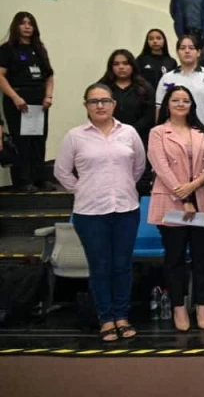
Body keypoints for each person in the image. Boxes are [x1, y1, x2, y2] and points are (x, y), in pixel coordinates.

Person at [54, 84, 146, 342]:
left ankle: (122, 316)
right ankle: (105, 319)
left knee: (122, 266)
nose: (100, 106)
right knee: (100, 266)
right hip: (90, 213)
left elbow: (138, 167)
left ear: (114, 104)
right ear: (86, 106)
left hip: (126, 209)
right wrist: (82, 188)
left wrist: (123, 186)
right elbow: (61, 172)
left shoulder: (128, 133)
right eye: (94, 102)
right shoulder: (75, 136)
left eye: (105, 101)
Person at [148, 85, 204, 332]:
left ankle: (202, 305)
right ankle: (178, 306)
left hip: (202, 201)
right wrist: (184, 193)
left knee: (202, 258)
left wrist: (196, 184)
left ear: (191, 105)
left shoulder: (201, 132)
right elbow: (160, 166)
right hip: (171, 202)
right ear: (167, 104)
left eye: (185, 100)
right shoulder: (158, 132)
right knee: (174, 258)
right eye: (175, 100)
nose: (180, 104)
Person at [0, 12, 55, 192]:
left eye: (30, 23)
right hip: (18, 100)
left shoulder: (39, 49)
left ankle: (40, 178)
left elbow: (49, 76)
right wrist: (15, 98)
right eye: (23, 23)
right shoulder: (7, 49)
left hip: (39, 101)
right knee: (21, 141)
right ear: (16, 26)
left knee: (38, 140)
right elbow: (1, 76)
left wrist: (48, 96)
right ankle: (23, 181)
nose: (27, 26)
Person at [154, 35, 204, 147]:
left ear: (198, 52)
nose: (187, 51)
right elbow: (160, 110)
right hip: (174, 136)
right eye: (182, 48)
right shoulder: (167, 78)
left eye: (191, 48)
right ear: (177, 52)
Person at [99, 50, 155, 147]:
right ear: (111, 67)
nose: (121, 67)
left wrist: (128, 132)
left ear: (133, 65)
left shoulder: (145, 88)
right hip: (106, 138)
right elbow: (94, 112)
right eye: (116, 64)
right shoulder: (102, 88)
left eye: (125, 63)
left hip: (137, 138)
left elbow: (149, 116)